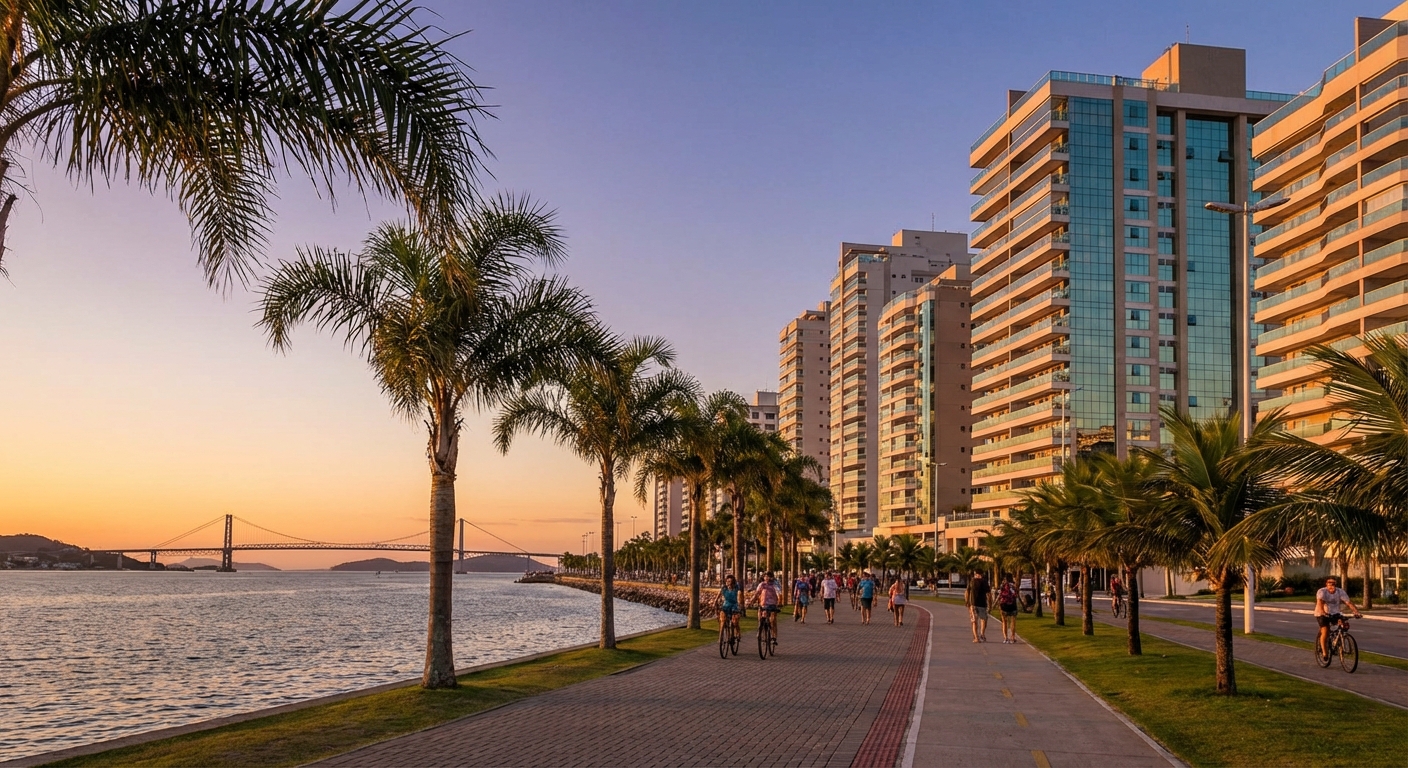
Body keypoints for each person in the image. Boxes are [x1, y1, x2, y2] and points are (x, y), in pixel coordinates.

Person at [1315, 576, 1361, 659]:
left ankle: (1339, 640)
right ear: (1326, 584)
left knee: (1343, 625)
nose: (1331, 585)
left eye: (1333, 583)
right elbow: (1320, 602)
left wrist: (1356, 612)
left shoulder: (1340, 592)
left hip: (1335, 612)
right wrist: (1323, 612)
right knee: (1325, 631)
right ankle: (1325, 653)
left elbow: (1348, 602)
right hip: (1322, 613)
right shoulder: (1322, 591)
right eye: (1329, 583)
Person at [753, 571, 782, 642]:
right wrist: (751, 601)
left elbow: (779, 594)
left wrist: (779, 602)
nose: (767, 578)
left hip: (772, 604)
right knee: (760, 618)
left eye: (768, 576)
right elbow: (757, 593)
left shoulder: (774, 585)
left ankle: (773, 636)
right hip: (763, 604)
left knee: (773, 620)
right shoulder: (761, 584)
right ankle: (760, 630)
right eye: (765, 576)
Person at [965, 570, 992, 642]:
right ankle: (982, 634)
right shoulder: (984, 582)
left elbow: (967, 592)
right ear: (982, 574)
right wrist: (990, 604)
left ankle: (976, 638)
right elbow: (989, 594)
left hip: (973, 604)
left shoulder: (972, 581)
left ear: (976, 574)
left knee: (974, 621)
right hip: (982, 604)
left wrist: (967, 602)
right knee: (983, 620)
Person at [996, 576, 1019, 643]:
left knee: (1004, 622)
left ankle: (1005, 638)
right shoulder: (1013, 586)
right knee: (1013, 622)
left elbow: (999, 595)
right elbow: (1016, 595)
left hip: (1004, 605)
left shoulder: (1002, 585)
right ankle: (1013, 637)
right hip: (1013, 605)